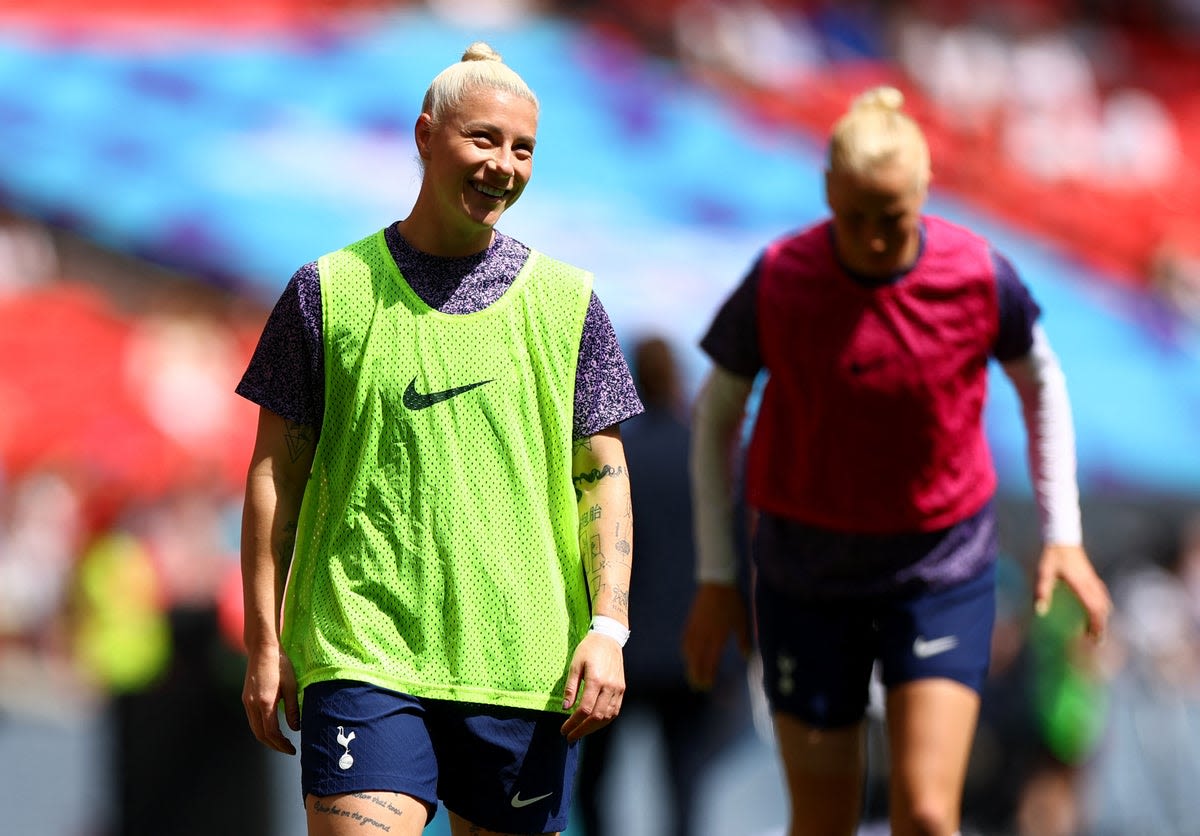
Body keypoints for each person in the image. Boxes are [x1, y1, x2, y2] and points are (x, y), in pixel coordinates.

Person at [682, 85, 1113, 836]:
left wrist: (1064, 534)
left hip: (938, 568)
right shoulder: (781, 277)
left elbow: (1042, 383)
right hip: (805, 571)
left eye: (894, 219)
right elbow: (715, 412)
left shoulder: (978, 274)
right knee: (823, 820)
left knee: (924, 811)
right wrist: (719, 576)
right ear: (826, 193)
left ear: (924, 197)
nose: (875, 240)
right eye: (854, 219)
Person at [237, 42, 643, 836]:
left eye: (523, 149)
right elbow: (272, 480)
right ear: (425, 137)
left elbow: (603, 477)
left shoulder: (571, 303)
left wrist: (608, 630)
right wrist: (264, 639)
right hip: (362, 652)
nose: (504, 165)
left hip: (524, 670)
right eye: (483, 139)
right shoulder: (327, 291)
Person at [575, 336, 751, 836]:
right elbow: (738, 552)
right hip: (690, 648)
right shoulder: (707, 455)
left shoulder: (616, 459)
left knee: (596, 782)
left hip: (621, 647)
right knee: (684, 781)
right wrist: (741, 649)